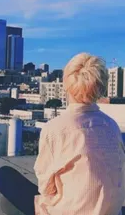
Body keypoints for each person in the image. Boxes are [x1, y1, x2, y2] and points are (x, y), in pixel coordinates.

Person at [34, 52, 125, 215]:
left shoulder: (55, 128)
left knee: (7, 188)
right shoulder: (112, 126)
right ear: (101, 88)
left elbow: (46, 187)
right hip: (113, 211)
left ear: (66, 84)